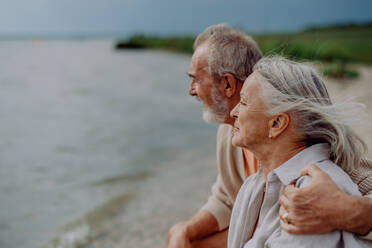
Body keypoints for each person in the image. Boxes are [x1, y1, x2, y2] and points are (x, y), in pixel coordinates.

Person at [167, 24, 372, 248]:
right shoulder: (230, 135)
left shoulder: (320, 164)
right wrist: (185, 229)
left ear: (227, 83)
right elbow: (225, 197)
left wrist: (349, 210)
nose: (191, 90)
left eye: (196, 79)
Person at [228, 56, 372, 247]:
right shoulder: (253, 185)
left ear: (277, 123)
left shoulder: (311, 195)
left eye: (244, 102)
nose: (233, 112)